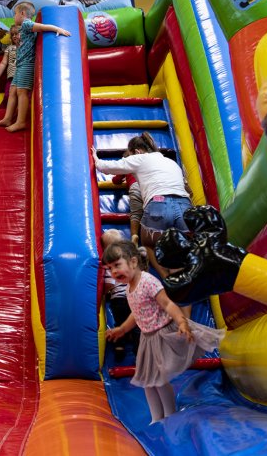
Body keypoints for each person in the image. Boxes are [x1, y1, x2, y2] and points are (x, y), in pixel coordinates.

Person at [103, 241, 223, 423]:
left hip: (162, 333)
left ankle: (170, 415)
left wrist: (181, 322)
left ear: (133, 262)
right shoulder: (129, 288)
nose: (113, 272)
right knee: (148, 383)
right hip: (147, 338)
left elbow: (167, 303)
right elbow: (136, 313)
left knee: (158, 380)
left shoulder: (148, 281)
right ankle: (156, 418)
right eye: (110, 268)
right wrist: (122, 329)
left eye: (117, 265)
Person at [93, 132, 193, 278]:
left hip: (158, 202)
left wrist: (95, 158)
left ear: (137, 151)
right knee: (181, 247)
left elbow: (106, 167)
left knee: (148, 243)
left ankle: (167, 279)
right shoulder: (172, 163)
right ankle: (184, 280)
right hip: (184, 205)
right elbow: (189, 191)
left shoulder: (140, 158)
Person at [4, 1, 71, 133]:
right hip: (20, 64)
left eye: (15, 14)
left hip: (27, 64)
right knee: (12, 90)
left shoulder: (26, 24)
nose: (14, 17)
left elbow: (42, 27)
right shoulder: (24, 26)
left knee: (22, 92)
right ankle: (7, 118)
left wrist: (57, 29)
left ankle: (20, 122)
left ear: (22, 13)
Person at [101, 229, 139, 362]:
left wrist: (104, 293)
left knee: (120, 322)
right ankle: (138, 349)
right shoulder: (126, 262)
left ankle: (119, 346)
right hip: (132, 297)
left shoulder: (109, 265)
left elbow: (109, 284)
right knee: (136, 324)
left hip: (118, 300)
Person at [0, 24, 20, 119]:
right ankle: (3, 114)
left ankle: (18, 115)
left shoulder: (26, 47)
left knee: (22, 97)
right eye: (12, 34)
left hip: (23, 77)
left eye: (17, 34)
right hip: (12, 77)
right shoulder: (9, 48)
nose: (14, 36)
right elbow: (3, 63)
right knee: (8, 96)